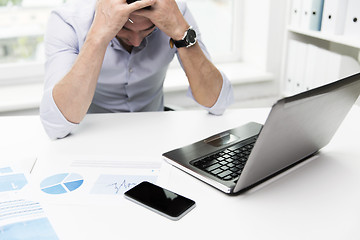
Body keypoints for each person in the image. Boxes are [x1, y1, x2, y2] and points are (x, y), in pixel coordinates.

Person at [40, 0, 234, 139]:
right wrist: (99, 36)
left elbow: (218, 103)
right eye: (124, 29)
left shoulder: (174, 12)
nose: (136, 41)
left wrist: (180, 32)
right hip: (93, 135)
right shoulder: (68, 20)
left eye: (148, 30)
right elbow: (55, 126)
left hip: (156, 134)